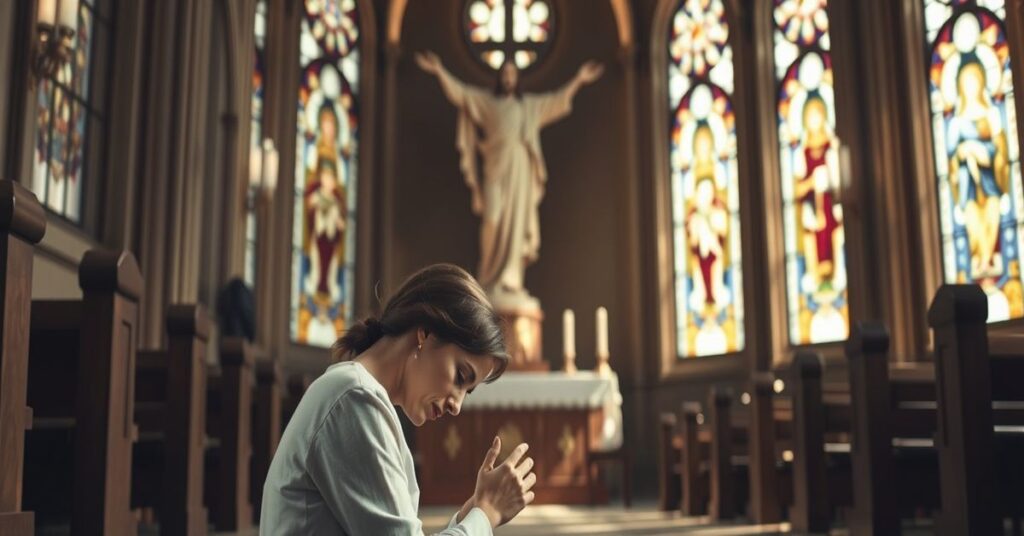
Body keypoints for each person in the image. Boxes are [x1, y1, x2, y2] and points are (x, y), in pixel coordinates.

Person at [261, 264, 533, 535]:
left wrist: (469, 515)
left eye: (467, 391)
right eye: (460, 376)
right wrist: (486, 515)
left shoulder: (360, 397)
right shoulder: (354, 399)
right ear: (425, 333)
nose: (456, 405)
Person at [414, 51, 603, 309]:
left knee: (516, 225)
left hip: (520, 170)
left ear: (517, 79)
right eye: (504, 73)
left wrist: (579, 79)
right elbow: (461, 94)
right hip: (495, 169)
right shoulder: (488, 103)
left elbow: (556, 99)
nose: (508, 77)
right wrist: (439, 71)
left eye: (512, 73)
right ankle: (490, 277)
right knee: (492, 219)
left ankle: (511, 281)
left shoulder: (529, 107)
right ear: (499, 78)